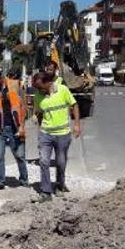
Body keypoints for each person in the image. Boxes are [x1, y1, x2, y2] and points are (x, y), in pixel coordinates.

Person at [32, 71, 81, 203]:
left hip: (63, 134)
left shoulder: (63, 90)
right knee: (43, 161)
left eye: (40, 86)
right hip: (46, 134)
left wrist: (76, 125)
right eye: (37, 87)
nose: (38, 89)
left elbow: (74, 105)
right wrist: (36, 117)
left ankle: (60, 184)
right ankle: (46, 192)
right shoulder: (38, 96)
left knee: (60, 162)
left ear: (48, 83)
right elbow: (39, 112)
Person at [0, 69, 28, 190]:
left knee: (19, 156)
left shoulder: (14, 85)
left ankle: (24, 180)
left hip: (15, 127)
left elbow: (23, 107)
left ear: (1, 77)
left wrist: (22, 126)